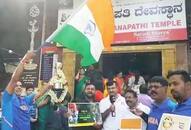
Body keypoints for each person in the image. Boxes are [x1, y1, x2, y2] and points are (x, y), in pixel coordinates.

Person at [1, 51, 52, 130]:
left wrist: (49, 84)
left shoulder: (25, 99)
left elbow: (39, 94)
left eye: (20, 86)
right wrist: (24, 60)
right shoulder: (7, 98)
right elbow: (14, 80)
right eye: (16, 86)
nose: (19, 87)